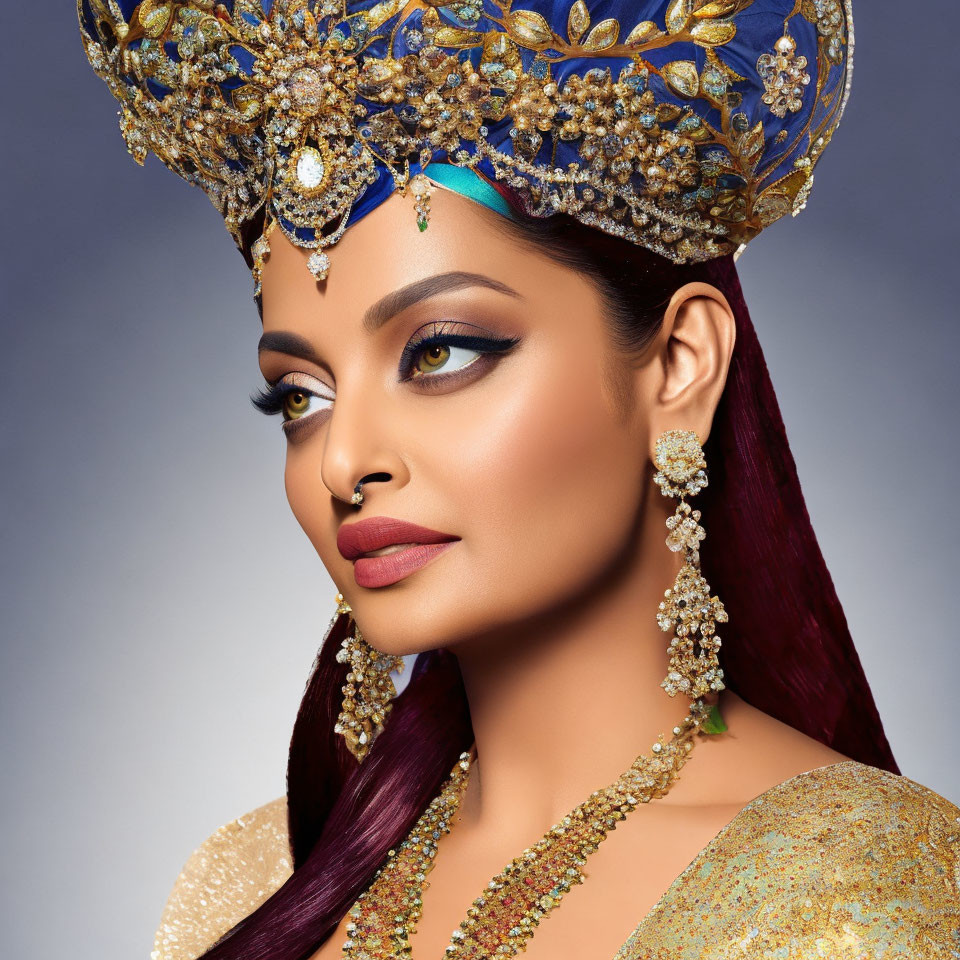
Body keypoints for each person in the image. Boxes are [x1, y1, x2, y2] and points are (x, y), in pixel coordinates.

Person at [77, 2, 959, 959]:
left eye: (442, 353)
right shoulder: (254, 884)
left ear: (678, 366)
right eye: (300, 396)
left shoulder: (860, 900)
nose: (342, 461)